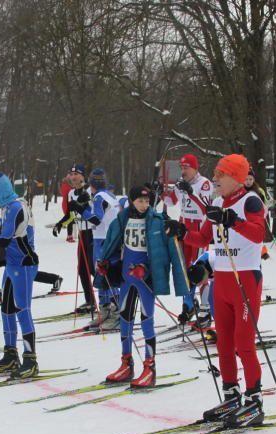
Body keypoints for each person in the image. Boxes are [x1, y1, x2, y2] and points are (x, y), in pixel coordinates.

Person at [166, 153, 267, 428]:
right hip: (222, 279)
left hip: (244, 278)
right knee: (223, 342)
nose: (215, 179)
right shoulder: (217, 201)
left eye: (220, 175)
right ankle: (231, 394)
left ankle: (255, 400)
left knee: (244, 343)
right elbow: (203, 237)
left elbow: (259, 234)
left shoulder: (251, 200)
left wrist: (232, 220)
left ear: (235, 178)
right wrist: (182, 231)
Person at [97, 185, 189, 387]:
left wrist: (145, 268)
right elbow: (112, 244)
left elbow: (162, 253)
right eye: (140, 201)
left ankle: (150, 367)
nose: (144, 205)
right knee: (125, 319)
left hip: (144, 278)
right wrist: (106, 263)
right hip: (126, 277)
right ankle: (126, 363)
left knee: (147, 320)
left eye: (147, 201)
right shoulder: (122, 219)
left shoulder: (155, 221)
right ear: (132, 201)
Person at [0, 173, 40, 378]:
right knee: (6, 309)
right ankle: (10, 355)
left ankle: (31, 360)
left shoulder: (15, 207)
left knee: (23, 310)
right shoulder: (7, 206)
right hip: (12, 264)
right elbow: (0, 223)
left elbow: (3, 239)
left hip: (23, 264)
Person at [162, 154, 213, 323]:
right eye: (182, 168)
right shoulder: (180, 184)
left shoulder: (204, 183)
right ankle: (189, 304)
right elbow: (171, 202)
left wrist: (190, 193)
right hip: (183, 227)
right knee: (184, 268)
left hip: (199, 228)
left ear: (195, 168)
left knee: (199, 269)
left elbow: (206, 208)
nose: (183, 171)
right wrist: (162, 191)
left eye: (186, 168)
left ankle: (206, 309)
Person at [77, 168, 122, 330]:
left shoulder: (99, 197)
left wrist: (81, 209)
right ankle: (105, 310)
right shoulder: (109, 194)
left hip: (104, 240)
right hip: (106, 238)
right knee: (101, 275)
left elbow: (96, 219)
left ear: (92, 183)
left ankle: (117, 314)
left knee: (107, 275)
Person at [56, 164, 95, 314]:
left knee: (93, 268)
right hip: (82, 234)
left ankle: (111, 298)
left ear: (83, 176)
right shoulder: (72, 193)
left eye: (76, 174)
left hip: (92, 232)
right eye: (71, 174)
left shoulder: (90, 190)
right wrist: (61, 223)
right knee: (82, 269)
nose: (73, 177)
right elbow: (72, 214)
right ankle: (90, 300)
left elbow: (94, 212)